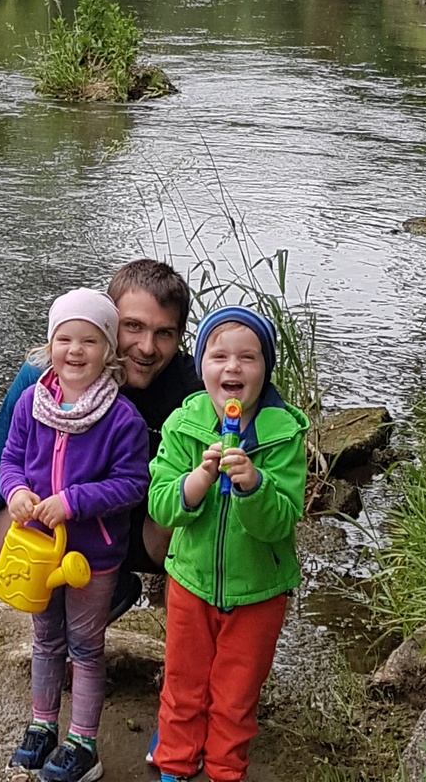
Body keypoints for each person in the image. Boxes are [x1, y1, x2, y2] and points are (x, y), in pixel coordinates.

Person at [0, 259, 201, 609]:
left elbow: (258, 394)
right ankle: (104, 592)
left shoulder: (194, 391)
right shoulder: (44, 377)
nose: (147, 347)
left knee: (180, 509)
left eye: (164, 333)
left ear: (179, 337)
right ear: (108, 321)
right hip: (65, 520)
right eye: (132, 327)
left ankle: (169, 612)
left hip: (141, 528)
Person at [148, 306, 309, 782]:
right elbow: (161, 504)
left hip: (259, 590)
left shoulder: (284, 436)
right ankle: (174, 765)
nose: (233, 367)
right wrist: (198, 479)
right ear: (201, 367)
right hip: (190, 583)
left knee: (236, 696)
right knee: (182, 686)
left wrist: (253, 486)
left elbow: (280, 520)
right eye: (218, 356)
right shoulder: (184, 425)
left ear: (266, 369)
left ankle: (224, 770)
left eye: (248, 358)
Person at [0, 288, 149, 782]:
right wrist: (16, 491)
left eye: (89, 340)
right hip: (39, 548)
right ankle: (42, 726)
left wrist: (73, 501)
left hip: (93, 553)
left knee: (85, 646)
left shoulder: (122, 417)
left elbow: (132, 483)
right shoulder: (30, 402)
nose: (75, 350)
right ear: (49, 346)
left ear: (109, 350)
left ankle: (83, 743)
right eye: (65, 339)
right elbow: (10, 461)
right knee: (44, 640)